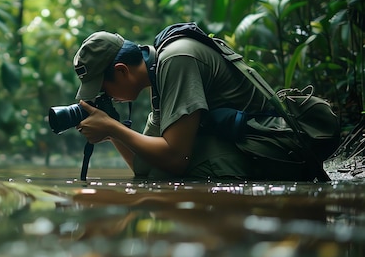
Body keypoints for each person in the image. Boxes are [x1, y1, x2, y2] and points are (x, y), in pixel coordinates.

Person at [72, 30, 308, 180]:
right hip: (246, 146)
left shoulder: (176, 60)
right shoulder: (158, 76)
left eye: (103, 89)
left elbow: (175, 159)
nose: (106, 97)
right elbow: (143, 166)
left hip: (274, 147)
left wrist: (113, 128)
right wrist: (112, 130)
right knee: (155, 173)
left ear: (121, 72)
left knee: (165, 175)